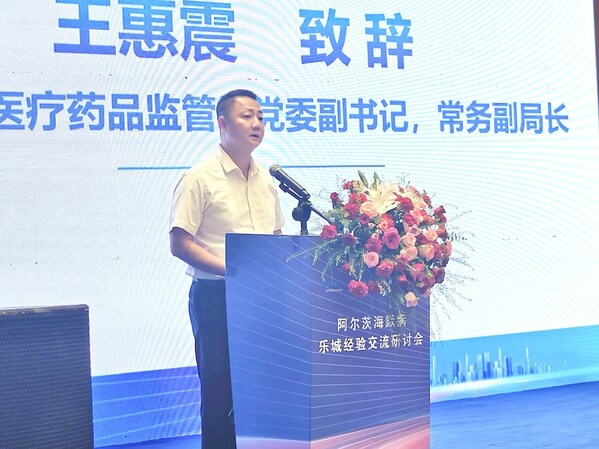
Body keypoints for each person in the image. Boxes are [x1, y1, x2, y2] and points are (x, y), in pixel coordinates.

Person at [169, 89, 285, 449]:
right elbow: (180, 243)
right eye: (247, 116)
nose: (257, 124)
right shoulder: (199, 178)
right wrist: (233, 271)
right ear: (222, 123)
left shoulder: (267, 180)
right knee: (221, 394)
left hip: (261, 300)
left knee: (262, 389)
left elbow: (276, 236)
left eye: (260, 117)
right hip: (217, 297)